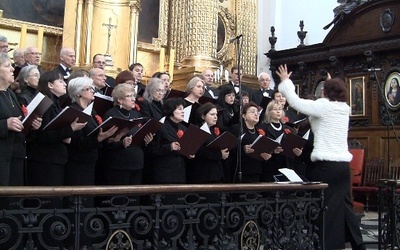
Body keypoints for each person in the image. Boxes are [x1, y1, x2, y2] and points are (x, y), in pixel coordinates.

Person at [276, 64, 365, 250]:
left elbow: (295, 102)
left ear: (325, 92)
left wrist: (286, 82)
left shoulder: (323, 107)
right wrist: (331, 83)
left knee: (328, 211)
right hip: (342, 168)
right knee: (344, 207)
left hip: (327, 166)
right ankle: (358, 245)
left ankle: (330, 246)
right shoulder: (344, 109)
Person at [27, 70, 87, 187]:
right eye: (60, 81)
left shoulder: (56, 103)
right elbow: (44, 135)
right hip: (45, 160)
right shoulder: (46, 104)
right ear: (50, 85)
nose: (65, 84)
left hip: (55, 158)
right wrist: (71, 129)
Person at [64, 77, 117, 188]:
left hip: (91, 160)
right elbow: (77, 143)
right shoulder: (73, 111)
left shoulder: (91, 111)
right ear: (78, 93)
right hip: (78, 163)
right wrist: (99, 138)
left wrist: (108, 137)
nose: (93, 90)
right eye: (88, 89)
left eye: (92, 88)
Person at [0, 53, 41, 186]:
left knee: (15, 201)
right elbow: (8, 123)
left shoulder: (11, 93)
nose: (13, 69)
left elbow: (19, 122)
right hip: (2, 158)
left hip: (17, 156)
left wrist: (31, 124)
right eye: (7, 66)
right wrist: (5, 124)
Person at [101, 83, 153, 185]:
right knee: (120, 198)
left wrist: (146, 141)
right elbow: (105, 142)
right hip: (119, 165)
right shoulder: (111, 114)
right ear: (120, 100)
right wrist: (122, 143)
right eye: (129, 96)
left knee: (134, 198)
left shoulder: (135, 114)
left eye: (133, 95)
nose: (133, 99)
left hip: (137, 163)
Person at [148, 98, 191, 184]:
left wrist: (189, 153)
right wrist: (169, 147)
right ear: (171, 110)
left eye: (183, 109)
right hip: (164, 173)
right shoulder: (160, 127)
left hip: (180, 173)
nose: (183, 112)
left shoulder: (184, 128)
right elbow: (152, 150)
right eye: (179, 109)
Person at [260, 100, 303, 182]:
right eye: (275, 109)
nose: (278, 111)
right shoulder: (263, 128)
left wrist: (298, 152)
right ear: (269, 112)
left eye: (280, 109)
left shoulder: (289, 129)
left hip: (286, 165)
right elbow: (261, 146)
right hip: (270, 166)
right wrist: (272, 150)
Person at [229, 102, 271, 183]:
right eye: (252, 112)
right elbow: (230, 147)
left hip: (256, 170)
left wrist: (266, 155)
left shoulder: (259, 131)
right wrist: (242, 149)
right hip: (240, 170)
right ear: (244, 116)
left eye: (257, 112)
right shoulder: (236, 128)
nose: (256, 114)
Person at [187, 102, 229, 183]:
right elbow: (198, 151)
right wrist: (220, 155)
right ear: (203, 116)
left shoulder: (213, 130)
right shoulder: (196, 130)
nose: (215, 117)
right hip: (202, 174)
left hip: (216, 173)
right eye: (212, 114)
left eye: (216, 115)